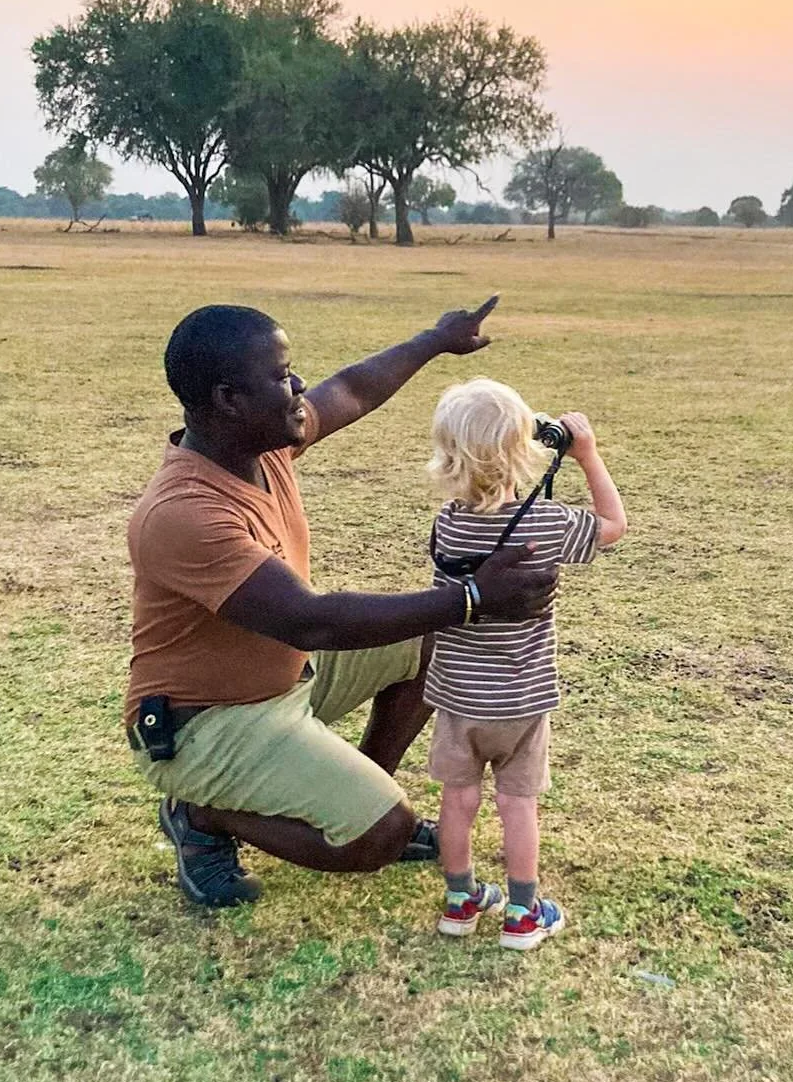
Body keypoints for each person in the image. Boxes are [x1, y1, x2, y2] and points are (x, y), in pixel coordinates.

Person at [126, 299, 560, 908]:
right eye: (281, 376)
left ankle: (364, 786)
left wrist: (436, 339)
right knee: (379, 836)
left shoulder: (260, 446)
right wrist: (475, 596)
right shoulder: (184, 513)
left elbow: (353, 389)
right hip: (204, 723)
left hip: (286, 680)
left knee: (434, 642)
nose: (298, 385)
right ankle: (201, 816)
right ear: (230, 400)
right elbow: (316, 620)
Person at [422, 378, 627, 950]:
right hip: (520, 699)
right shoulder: (547, 523)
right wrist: (587, 455)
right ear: (524, 451)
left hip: (457, 698)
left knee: (457, 801)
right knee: (518, 806)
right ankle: (522, 912)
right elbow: (613, 526)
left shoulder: (448, 524)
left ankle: (460, 902)